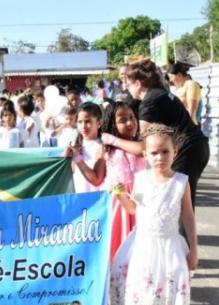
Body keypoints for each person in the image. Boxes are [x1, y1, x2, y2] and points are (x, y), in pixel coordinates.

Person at [110, 124, 198, 305]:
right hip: (143, 247)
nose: (159, 158)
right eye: (153, 153)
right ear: (145, 155)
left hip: (170, 247)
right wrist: (120, 195)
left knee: (168, 296)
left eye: (165, 152)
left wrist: (194, 249)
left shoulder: (181, 182)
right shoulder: (140, 179)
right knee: (142, 294)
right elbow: (133, 209)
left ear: (175, 152)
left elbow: (189, 217)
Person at [104, 59, 209, 209]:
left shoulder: (149, 102)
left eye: (128, 84)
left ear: (138, 84)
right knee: (180, 203)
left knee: (177, 205)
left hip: (187, 149)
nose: (126, 88)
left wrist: (112, 140)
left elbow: (142, 148)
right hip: (197, 147)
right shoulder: (159, 93)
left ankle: (183, 233)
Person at [101, 101, 147, 260]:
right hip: (118, 203)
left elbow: (141, 150)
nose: (130, 123)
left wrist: (113, 139)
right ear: (111, 124)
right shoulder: (106, 149)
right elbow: (97, 175)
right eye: (122, 120)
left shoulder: (141, 143)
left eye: (132, 117)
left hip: (141, 200)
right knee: (119, 242)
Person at [66, 103, 106, 193]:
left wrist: (77, 158)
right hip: (78, 197)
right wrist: (65, 158)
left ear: (99, 123)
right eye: (80, 122)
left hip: (96, 201)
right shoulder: (76, 146)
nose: (83, 126)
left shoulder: (102, 147)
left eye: (88, 121)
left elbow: (97, 180)